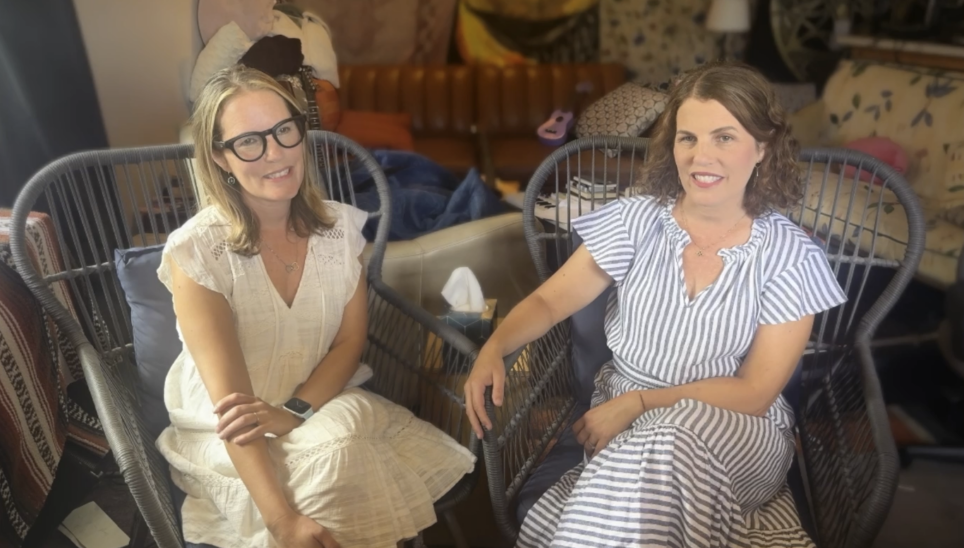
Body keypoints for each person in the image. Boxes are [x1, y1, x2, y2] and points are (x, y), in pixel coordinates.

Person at [464, 61, 846, 548]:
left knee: (664, 444)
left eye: (724, 137)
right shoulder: (637, 220)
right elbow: (547, 301)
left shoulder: (791, 255)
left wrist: (642, 402)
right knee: (641, 495)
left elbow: (754, 391)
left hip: (738, 430)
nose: (700, 157)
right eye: (687, 138)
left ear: (763, 147)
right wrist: (495, 344)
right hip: (622, 418)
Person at [155, 65, 475, 548]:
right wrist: (281, 520)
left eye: (285, 130)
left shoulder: (337, 232)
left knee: (344, 449)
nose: (276, 153)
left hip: (322, 403)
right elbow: (235, 410)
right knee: (332, 481)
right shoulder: (198, 253)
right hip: (230, 435)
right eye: (249, 141)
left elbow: (349, 342)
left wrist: (297, 411)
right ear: (220, 158)